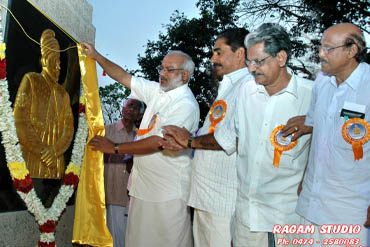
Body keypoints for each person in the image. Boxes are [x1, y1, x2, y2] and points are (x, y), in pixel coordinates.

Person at [81, 42, 200, 247]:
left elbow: (158, 142)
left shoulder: (185, 105)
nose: (163, 73)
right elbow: (123, 77)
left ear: (185, 76)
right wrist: (97, 56)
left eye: (169, 70)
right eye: (162, 67)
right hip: (142, 188)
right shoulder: (156, 91)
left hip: (167, 194)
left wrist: (115, 148)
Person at [160, 28, 251, 247]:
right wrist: (188, 141)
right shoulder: (229, 88)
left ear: (239, 54)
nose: (212, 58)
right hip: (207, 196)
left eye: (219, 52)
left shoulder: (247, 87)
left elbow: (232, 137)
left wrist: (189, 141)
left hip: (222, 201)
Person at [291, 23, 370, 246]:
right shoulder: (321, 83)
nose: (320, 54)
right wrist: (306, 177)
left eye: (328, 48)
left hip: (348, 209)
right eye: (321, 47)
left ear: (351, 50)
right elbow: (319, 136)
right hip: (311, 203)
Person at [13, 29, 74, 179]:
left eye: (59, 62)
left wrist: (54, 151)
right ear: (44, 61)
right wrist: (42, 151)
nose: (59, 67)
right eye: (55, 61)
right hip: (32, 158)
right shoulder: (31, 80)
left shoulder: (63, 94)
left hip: (55, 161)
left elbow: (68, 129)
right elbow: (20, 121)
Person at [104, 99, 142, 247]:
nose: (131, 109)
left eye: (136, 108)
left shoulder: (140, 136)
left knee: (130, 235)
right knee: (114, 235)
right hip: (112, 191)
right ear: (123, 109)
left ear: (139, 116)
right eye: (129, 105)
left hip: (133, 192)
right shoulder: (107, 130)